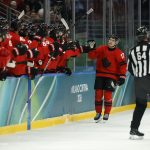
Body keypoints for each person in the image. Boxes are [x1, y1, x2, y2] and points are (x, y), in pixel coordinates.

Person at [88, 35, 127, 122]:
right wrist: (91, 49)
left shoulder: (119, 53)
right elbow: (91, 57)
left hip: (112, 76)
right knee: (98, 94)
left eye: (112, 40)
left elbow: (123, 65)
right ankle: (98, 113)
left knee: (107, 95)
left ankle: (106, 113)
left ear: (116, 42)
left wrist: (122, 76)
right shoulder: (102, 48)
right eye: (109, 39)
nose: (110, 41)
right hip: (100, 75)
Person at [128, 26, 150, 140]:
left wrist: (138, 75)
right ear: (146, 36)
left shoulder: (132, 51)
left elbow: (130, 68)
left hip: (138, 80)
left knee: (141, 105)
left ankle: (134, 129)